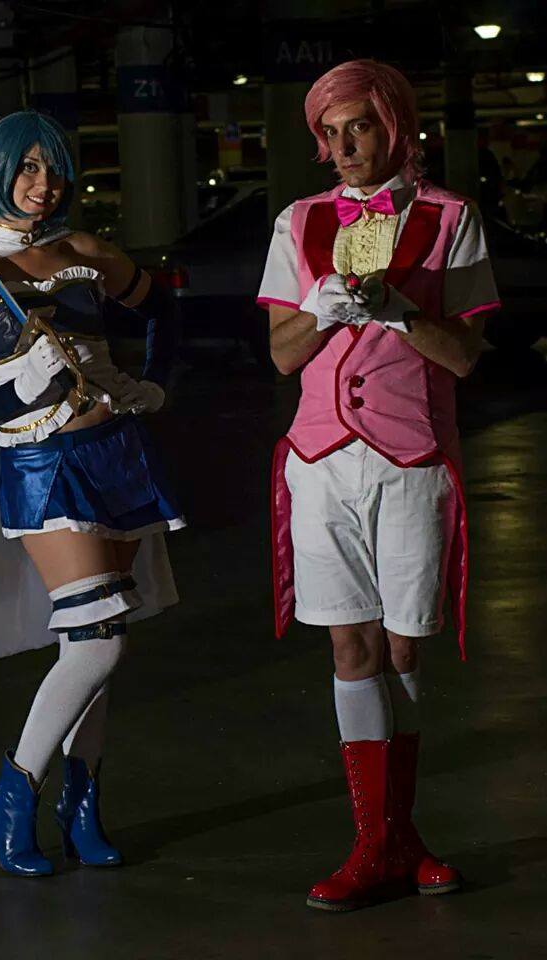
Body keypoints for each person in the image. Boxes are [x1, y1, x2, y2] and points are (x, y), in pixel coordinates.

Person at [257, 59, 499, 911]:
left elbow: (463, 357)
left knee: (401, 648)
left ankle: (402, 835)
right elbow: (281, 355)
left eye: (356, 126)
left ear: (393, 125)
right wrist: (321, 310)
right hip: (320, 460)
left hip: (410, 457)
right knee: (348, 648)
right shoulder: (299, 220)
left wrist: (399, 310)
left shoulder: (449, 218)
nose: (343, 146)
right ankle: (373, 845)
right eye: (329, 133)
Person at [0, 110, 183, 877]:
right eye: (27, 168)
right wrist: (18, 390)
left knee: (91, 646)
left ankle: (82, 803)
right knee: (100, 641)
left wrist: (154, 384)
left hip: (117, 452)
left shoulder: (84, 252)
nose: (43, 184)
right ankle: (14, 792)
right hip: (42, 466)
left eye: (54, 168)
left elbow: (162, 309)